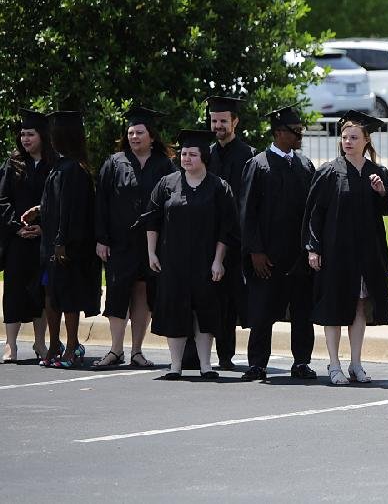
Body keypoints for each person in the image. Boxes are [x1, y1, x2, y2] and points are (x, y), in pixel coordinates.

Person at [305, 110, 388, 385]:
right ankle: (333, 364)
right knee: (335, 304)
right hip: (336, 251)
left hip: (367, 251)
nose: (348, 141)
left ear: (366, 140)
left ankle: (355, 363)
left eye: (354, 137)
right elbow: (314, 213)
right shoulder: (328, 172)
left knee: (359, 305)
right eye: (345, 137)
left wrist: (382, 192)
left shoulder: (377, 172)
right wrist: (313, 247)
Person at [144, 130, 238, 380]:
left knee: (203, 311)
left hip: (205, 260)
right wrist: (152, 253)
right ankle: (175, 366)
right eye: (184, 154)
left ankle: (206, 365)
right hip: (172, 261)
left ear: (204, 157)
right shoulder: (167, 184)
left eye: (192, 154)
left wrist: (219, 260)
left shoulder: (219, 187)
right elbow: (152, 220)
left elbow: (226, 228)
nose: (186, 158)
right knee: (175, 309)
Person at [93, 106, 176, 369]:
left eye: (139, 132)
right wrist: (101, 238)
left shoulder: (165, 165)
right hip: (119, 242)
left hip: (152, 243)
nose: (134, 137)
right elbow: (101, 204)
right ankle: (115, 349)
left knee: (144, 292)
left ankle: (137, 351)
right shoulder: (114, 163)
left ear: (151, 136)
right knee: (117, 293)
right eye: (130, 132)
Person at [241, 106, 316, 382]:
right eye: (296, 132)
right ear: (279, 133)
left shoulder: (304, 165)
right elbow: (247, 212)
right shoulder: (258, 165)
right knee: (263, 311)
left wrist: (310, 247)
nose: (300, 136)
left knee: (302, 312)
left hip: (297, 255)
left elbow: (311, 211)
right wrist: (256, 251)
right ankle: (258, 364)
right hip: (268, 256)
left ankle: (302, 362)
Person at [29, 111, 102, 368]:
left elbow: (73, 212)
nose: (50, 137)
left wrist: (62, 242)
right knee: (50, 294)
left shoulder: (75, 170)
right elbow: (56, 204)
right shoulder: (59, 167)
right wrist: (39, 210)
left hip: (67, 247)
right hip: (50, 245)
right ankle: (53, 345)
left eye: (54, 133)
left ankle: (72, 347)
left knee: (67, 296)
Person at [206, 95, 256, 369]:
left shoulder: (248, 156)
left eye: (224, 120)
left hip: (238, 239)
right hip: (208, 238)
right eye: (214, 121)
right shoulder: (206, 153)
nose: (218, 125)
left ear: (235, 122)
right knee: (209, 296)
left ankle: (227, 355)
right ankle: (199, 353)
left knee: (234, 299)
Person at [0, 109, 53, 363]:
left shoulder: (54, 164)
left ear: (42, 135)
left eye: (30, 134)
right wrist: (16, 226)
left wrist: (44, 226)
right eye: (22, 134)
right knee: (13, 290)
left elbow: (58, 201)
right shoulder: (12, 163)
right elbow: (2, 199)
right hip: (17, 239)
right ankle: (11, 345)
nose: (25, 139)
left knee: (41, 292)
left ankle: (40, 342)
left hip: (43, 239)